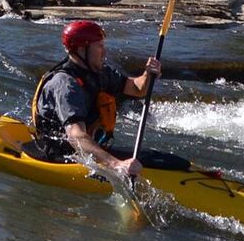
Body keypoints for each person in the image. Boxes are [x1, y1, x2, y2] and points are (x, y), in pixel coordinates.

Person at [30, 20, 162, 179]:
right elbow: (76, 136)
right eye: (99, 46)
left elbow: (137, 89)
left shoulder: (100, 73)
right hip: (62, 156)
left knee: (162, 159)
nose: (104, 52)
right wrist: (116, 164)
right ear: (81, 49)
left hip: (88, 151)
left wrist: (148, 74)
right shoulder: (66, 84)